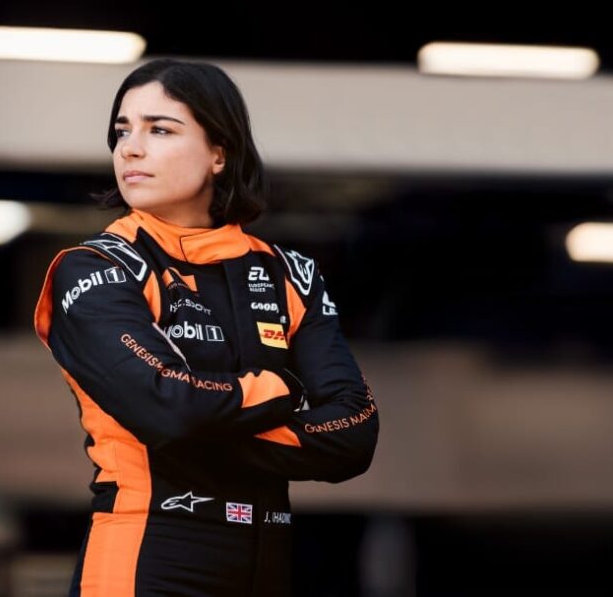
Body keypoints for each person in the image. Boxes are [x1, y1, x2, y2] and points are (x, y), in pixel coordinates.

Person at [34, 58, 379, 596]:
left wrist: (196, 431)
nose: (130, 149)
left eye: (160, 130)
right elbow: (166, 407)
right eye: (122, 131)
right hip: (146, 555)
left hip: (268, 564)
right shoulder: (97, 268)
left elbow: (353, 433)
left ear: (220, 153)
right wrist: (282, 390)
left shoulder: (289, 274)